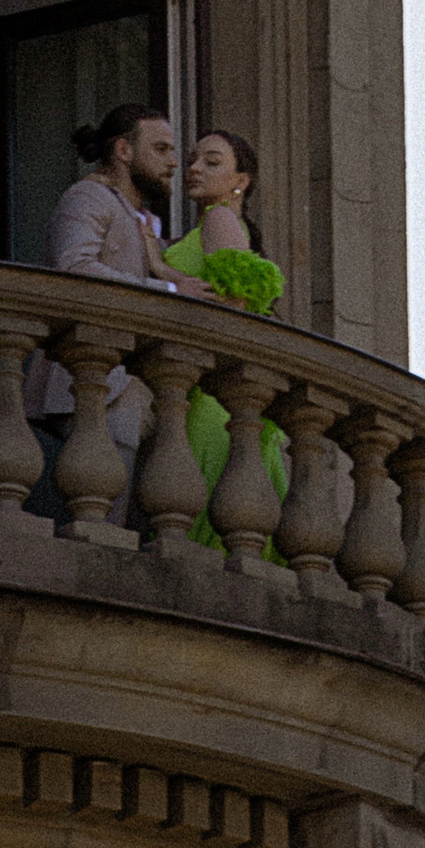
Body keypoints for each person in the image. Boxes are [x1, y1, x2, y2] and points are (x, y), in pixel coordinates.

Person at [25, 103, 216, 523]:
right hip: (98, 379)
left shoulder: (144, 218)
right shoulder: (88, 195)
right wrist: (168, 289)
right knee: (102, 519)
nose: (172, 163)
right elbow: (74, 268)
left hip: (136, 381)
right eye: (161, 149)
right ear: (123, 151)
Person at [162, 129, 289, 548]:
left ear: (241, 180)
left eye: (212, 162)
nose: (195, 168)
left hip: (210, 405)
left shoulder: (219, 219)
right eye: (194, 159)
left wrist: (166, 275)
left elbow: (233, 302)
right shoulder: (209, 228)